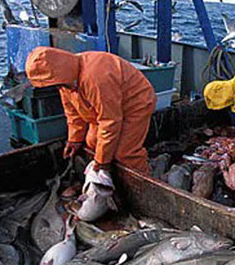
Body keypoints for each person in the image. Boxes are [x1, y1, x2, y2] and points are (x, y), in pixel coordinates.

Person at [25, 47, 156, 174]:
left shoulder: (96, 78)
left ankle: (144, 181)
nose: (56, 87)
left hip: (135, 104)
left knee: (125, 153)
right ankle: (112, 180)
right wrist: (74, 139)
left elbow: (110, 121)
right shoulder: (65, 81)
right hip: (103, 110)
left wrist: (102, 163)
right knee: (92, 143)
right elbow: (73, 112)